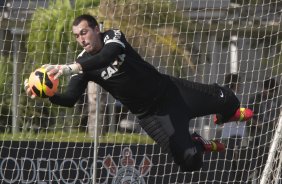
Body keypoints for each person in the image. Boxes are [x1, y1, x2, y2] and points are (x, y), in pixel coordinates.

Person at [24, 14, 253, 172]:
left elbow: (107, 55)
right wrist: (48, 94)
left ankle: (226, 115)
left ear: (96, 29)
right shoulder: (83, 64)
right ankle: (198, 143)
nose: (81, 39)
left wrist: (69, 68)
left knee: (230, 99)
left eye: (84, 32)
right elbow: (70, 99)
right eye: (77, 36)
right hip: (152, 116)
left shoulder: (113, 37)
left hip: (171, 92)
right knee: (191, 162)